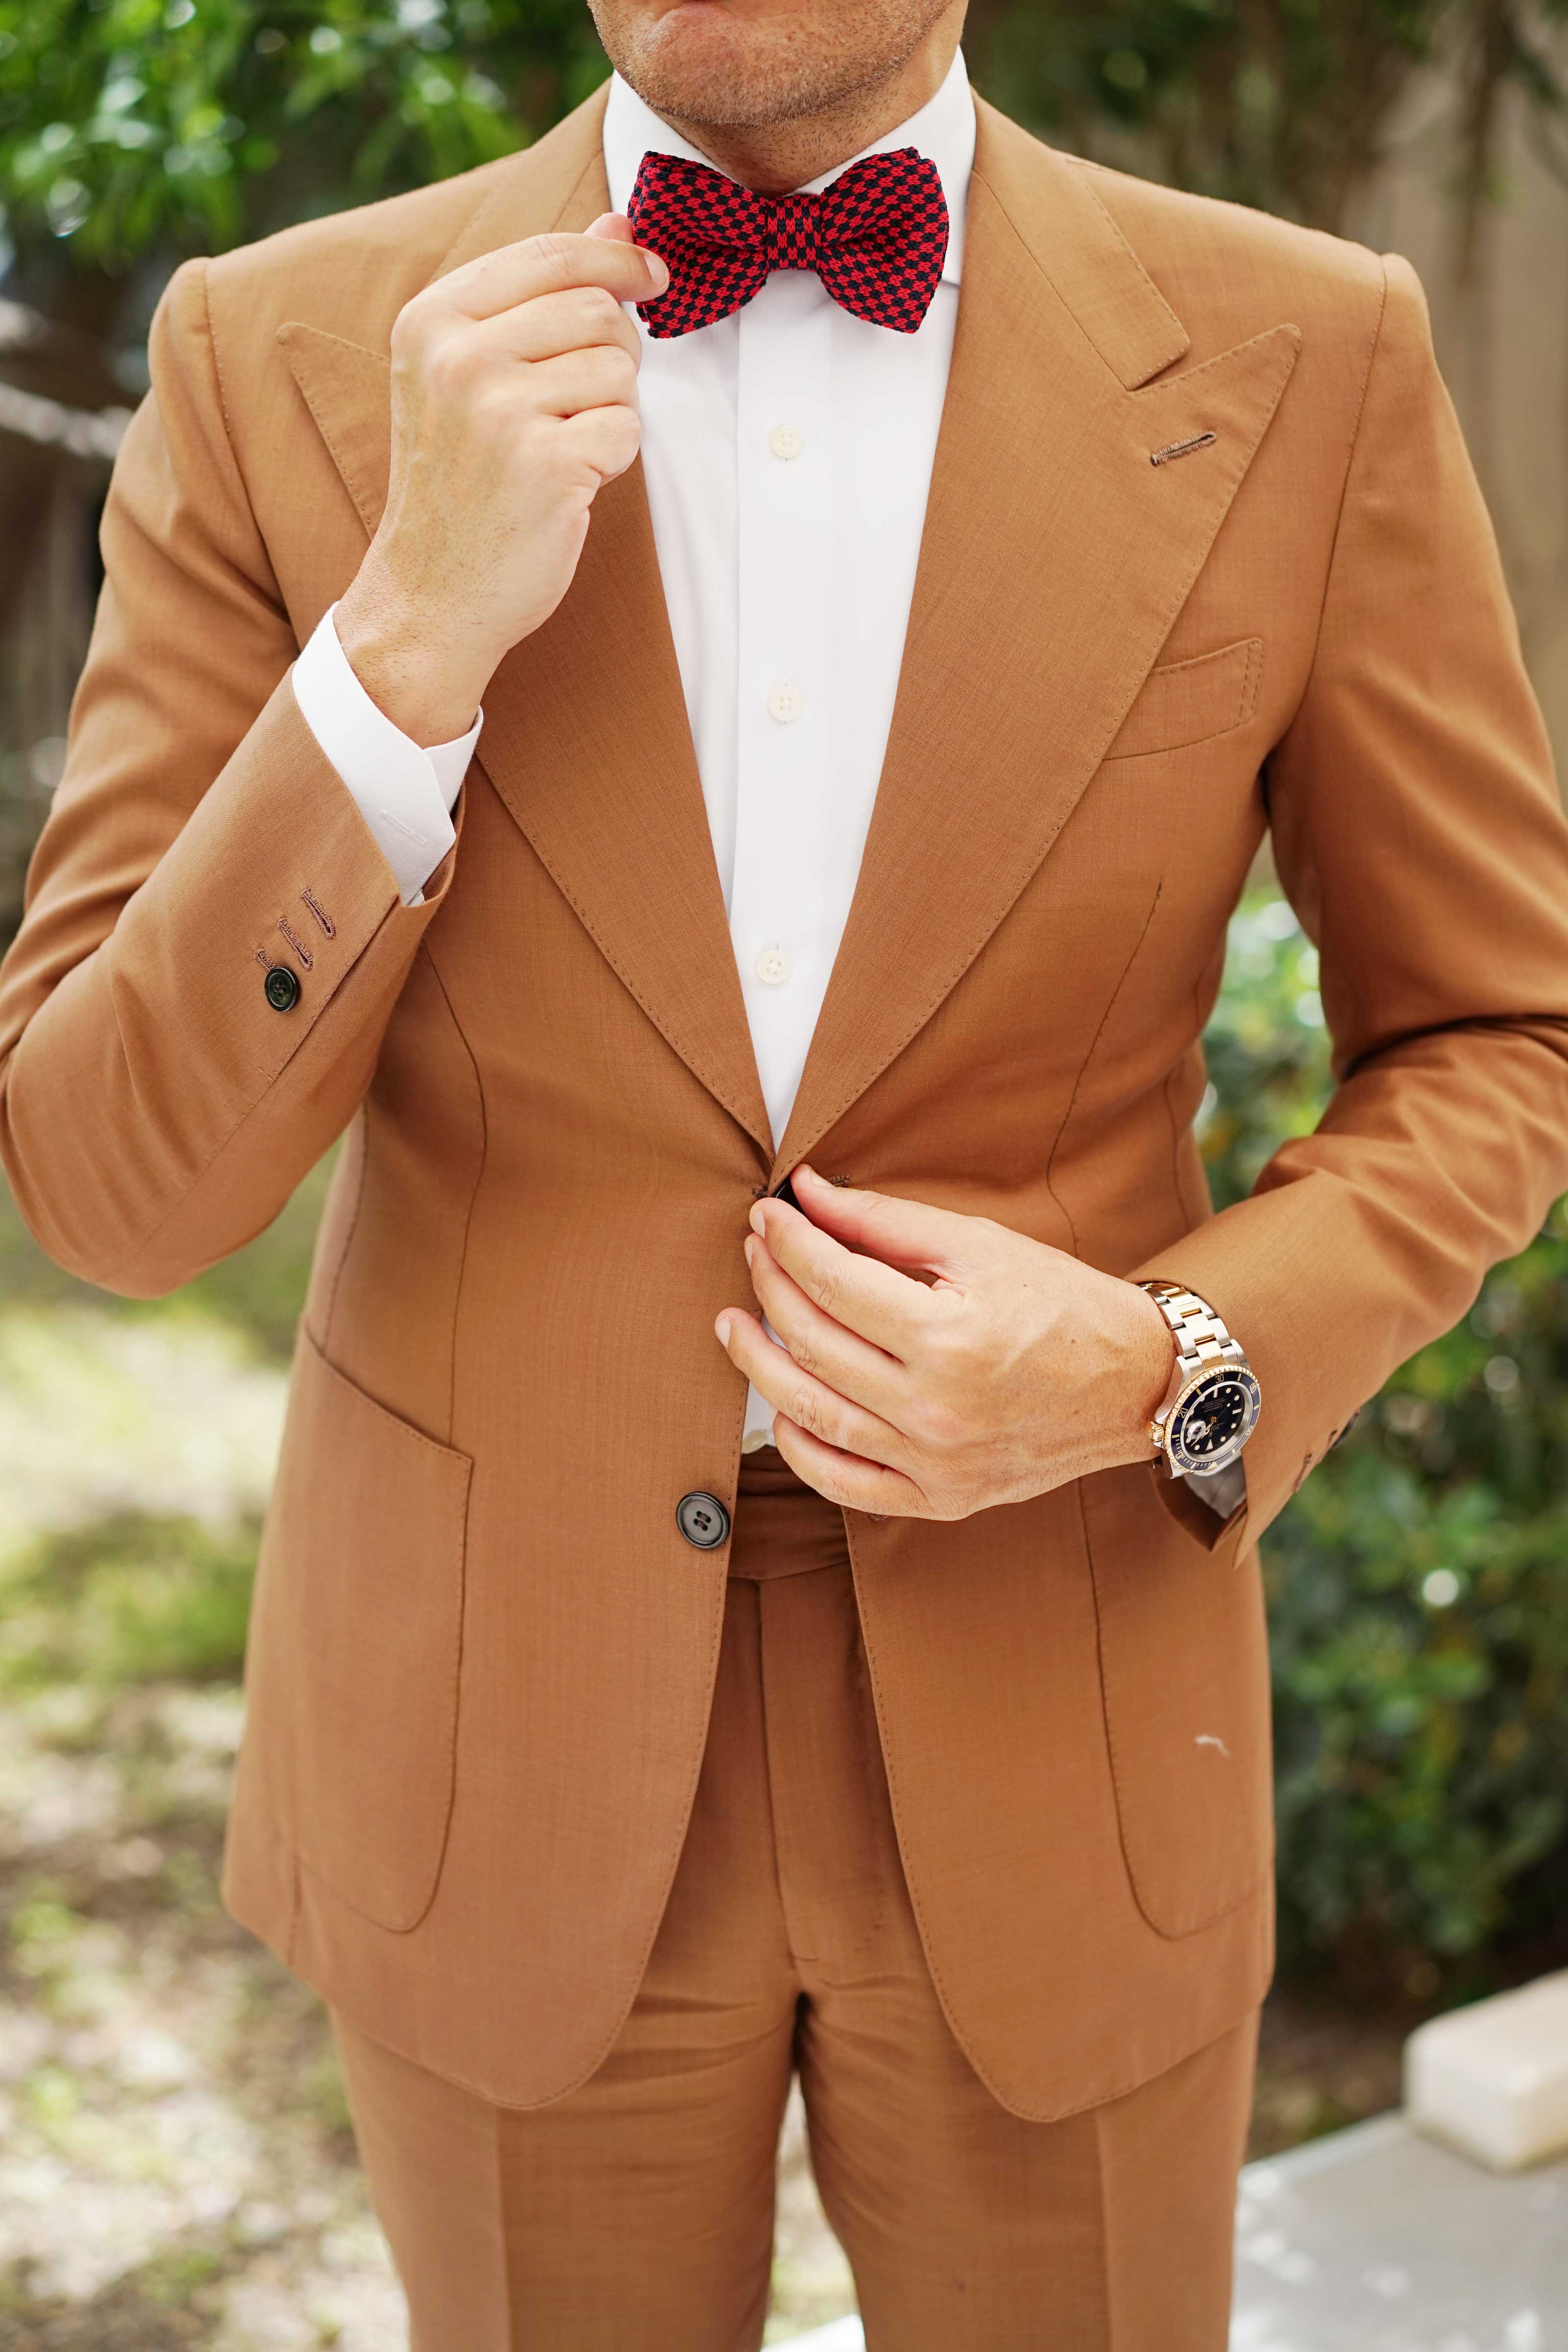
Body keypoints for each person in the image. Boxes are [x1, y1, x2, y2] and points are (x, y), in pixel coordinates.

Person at [4, 0, 1568, 2340]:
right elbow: (114, 1188)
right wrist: (404, 636)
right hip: (489, 1747)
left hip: (1073, 1716)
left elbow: (1492, 1036)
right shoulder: (283, 355)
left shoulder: (1304, 351)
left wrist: (1167, 1357)